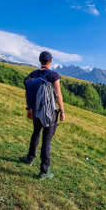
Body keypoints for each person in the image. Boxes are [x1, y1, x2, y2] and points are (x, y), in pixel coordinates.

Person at [21, 51, 65, 179]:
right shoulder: (53, 76)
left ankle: (30, 158)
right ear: (50, 61)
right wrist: (62, 111)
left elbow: (27, 93)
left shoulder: (33, 74)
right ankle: (44, 171)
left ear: (40, 60)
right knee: (46, 140)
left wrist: (29, 109)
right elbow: (58, 95)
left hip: (36, 111)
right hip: (50, 113)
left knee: (35, 133)